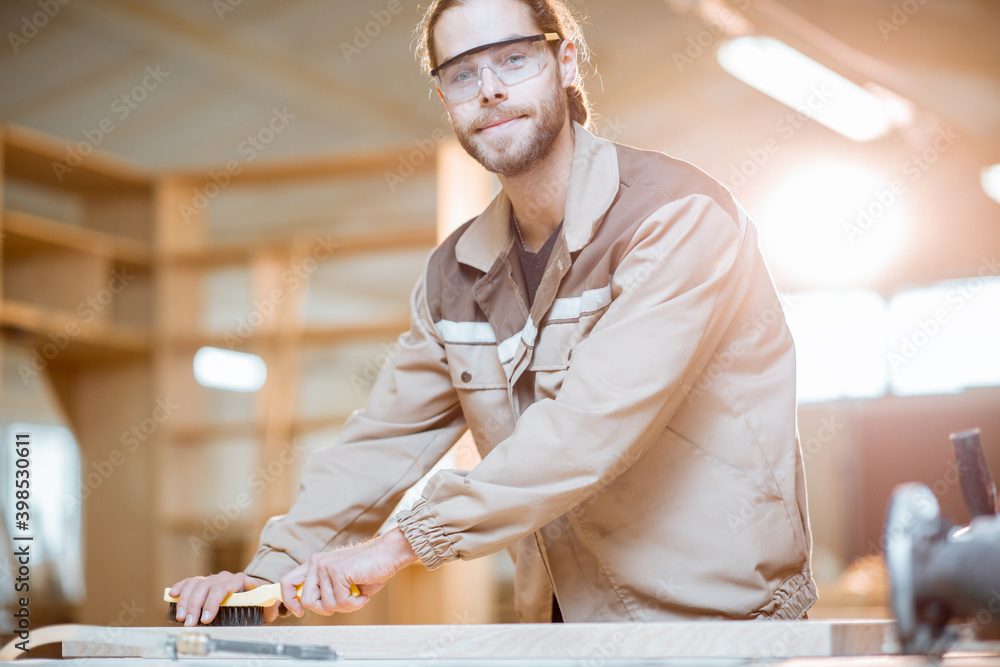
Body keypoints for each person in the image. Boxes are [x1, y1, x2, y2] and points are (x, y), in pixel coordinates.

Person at [169, 0, 816, 626]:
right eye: (462, 73)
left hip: (721, 628)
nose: (489, 89)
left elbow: (588, 429)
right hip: (564, 629)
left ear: (565, 62)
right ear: (445, 98)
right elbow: (379, 443)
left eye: (512, 59)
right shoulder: (456, 277)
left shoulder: (677, 219)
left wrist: (404, 542)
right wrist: (264, 576)